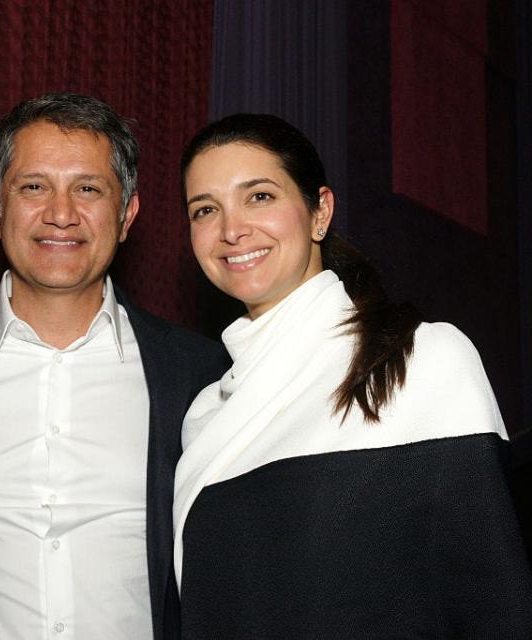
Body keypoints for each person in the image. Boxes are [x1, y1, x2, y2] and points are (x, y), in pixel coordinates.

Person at [173, 113, 532, 637]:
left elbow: (493, 602)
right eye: (206, 209)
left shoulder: (420, 360)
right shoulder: (205, 414)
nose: (231, 229)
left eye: (260, 197)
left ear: (320, 212)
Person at [0, 93, 230, 639]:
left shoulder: (200, 376)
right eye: (33, 187)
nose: (61, 214)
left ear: (127, 215)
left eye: (88, 189)